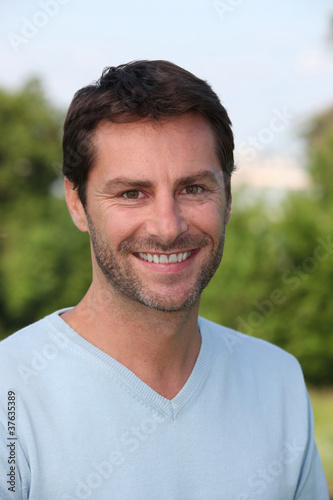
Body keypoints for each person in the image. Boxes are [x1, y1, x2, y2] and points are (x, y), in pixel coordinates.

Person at [0, 60, 329, 500]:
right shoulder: (11, 394)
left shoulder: (278, 382)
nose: (168, 227)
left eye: (193, 188)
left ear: (227, 197)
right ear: (76, 203)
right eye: (132, 193)